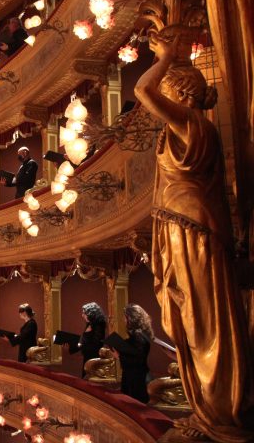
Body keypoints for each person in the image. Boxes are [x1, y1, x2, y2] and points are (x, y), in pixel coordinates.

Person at [135, 29, 254, 440]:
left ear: (181, 96)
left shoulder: (193, 123)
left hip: (194, 233)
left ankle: (222, 408)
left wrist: (167, 57)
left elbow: (142, 89)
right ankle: (210, 405)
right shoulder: (186, 126)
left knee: (204, 320)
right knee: (191, 317)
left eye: (169, 91)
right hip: (183, 227)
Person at [110, 304, 153, 403]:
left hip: (137, 378)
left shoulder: (138, 337)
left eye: (125, 317)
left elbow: (137, 360)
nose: (124, 320)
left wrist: (119, 356)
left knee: (134, 406)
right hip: (135, 375)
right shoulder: (139, 335)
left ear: (131, 319)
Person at [68, 302, 107, 377]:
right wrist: (73, 346)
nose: (82, 315)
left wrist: (81, 345)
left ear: (91, 314)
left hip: (93, 359)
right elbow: (84, 341)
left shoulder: (98, 325)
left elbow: (96, 345)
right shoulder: (90, 324)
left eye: (84, 313)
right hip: (87, 357)